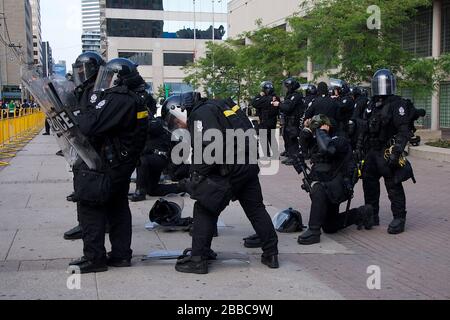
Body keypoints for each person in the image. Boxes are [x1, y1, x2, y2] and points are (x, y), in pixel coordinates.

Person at [168, 93, 279, 274]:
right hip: (248, 165)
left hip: (229, 169)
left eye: (176, 121)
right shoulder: (220, 105)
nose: (178, 126)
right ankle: (271, 253)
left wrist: (197, 175)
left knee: (204, 207)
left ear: (180, 110)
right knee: (256, 209)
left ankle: (198, 260)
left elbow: (210, 147)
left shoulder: (200, 114)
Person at [69, 58, 148, 274]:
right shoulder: (130, 98)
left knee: (90, 206)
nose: (106, 81)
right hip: (120, 164)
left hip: (108, 165)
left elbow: (88, 125)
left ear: (119, 78)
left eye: (110, 76)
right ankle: (121, 255)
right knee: (117, 207)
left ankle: (94, 258)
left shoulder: (119, 99)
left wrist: (79, 111)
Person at [294, 115, 374, 245]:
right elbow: (302, 150)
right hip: (329, 184)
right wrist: (306, 131)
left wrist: (322, 130)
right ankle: (362, 213)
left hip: (339, 185)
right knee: (330, 226)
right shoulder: (320, 139)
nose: (316, 134)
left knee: (318, 189)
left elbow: (328, 149)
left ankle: (314, 231)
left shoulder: (339, 140)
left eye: (317, 129)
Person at [356, 69, 419, 234]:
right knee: (368, 183)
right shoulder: (372, 104)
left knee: (393, 185)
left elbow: (404, 131)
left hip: (387, 150)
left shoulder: (397, 104)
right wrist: (358, 147)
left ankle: (399, 218)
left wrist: (397, 151)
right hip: (371, 151)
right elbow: (364, 127)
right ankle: (372, 215)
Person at [64, 52, 106, 241]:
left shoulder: (97, 91)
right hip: (80, 145)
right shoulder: (83, 89)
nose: (79, 72)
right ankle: (85, 223)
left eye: (82, 69)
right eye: (77, 69)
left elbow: (90, 120)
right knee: (81, 184)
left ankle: (88, 225)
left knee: (89, 189)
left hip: (92, 147)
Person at [129, 111, 184, 202]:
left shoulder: (154, 123)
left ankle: (140, 192)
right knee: (152, 190)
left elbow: (154, 127)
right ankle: (181, 187)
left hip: (158, 158)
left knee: (141, 161)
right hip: (153, 160)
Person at [280, 78, 305, 166]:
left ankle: (295, 158)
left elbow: (288, 108)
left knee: (292, 138)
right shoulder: (290, 95)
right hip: (289, 120)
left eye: (287, 86)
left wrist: (279, 104)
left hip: (294, 120)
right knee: (288, 138)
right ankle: (291, 156)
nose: (286, 88)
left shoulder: (296, 96)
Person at [251, 81, 280, 158]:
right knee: (271, 137)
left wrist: (260, 96)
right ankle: (275, 154)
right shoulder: (276, 97)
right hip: (272, 120)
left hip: (265, 120)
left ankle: (267, 153)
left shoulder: (264, 98)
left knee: (264, 136)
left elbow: (254, 103)